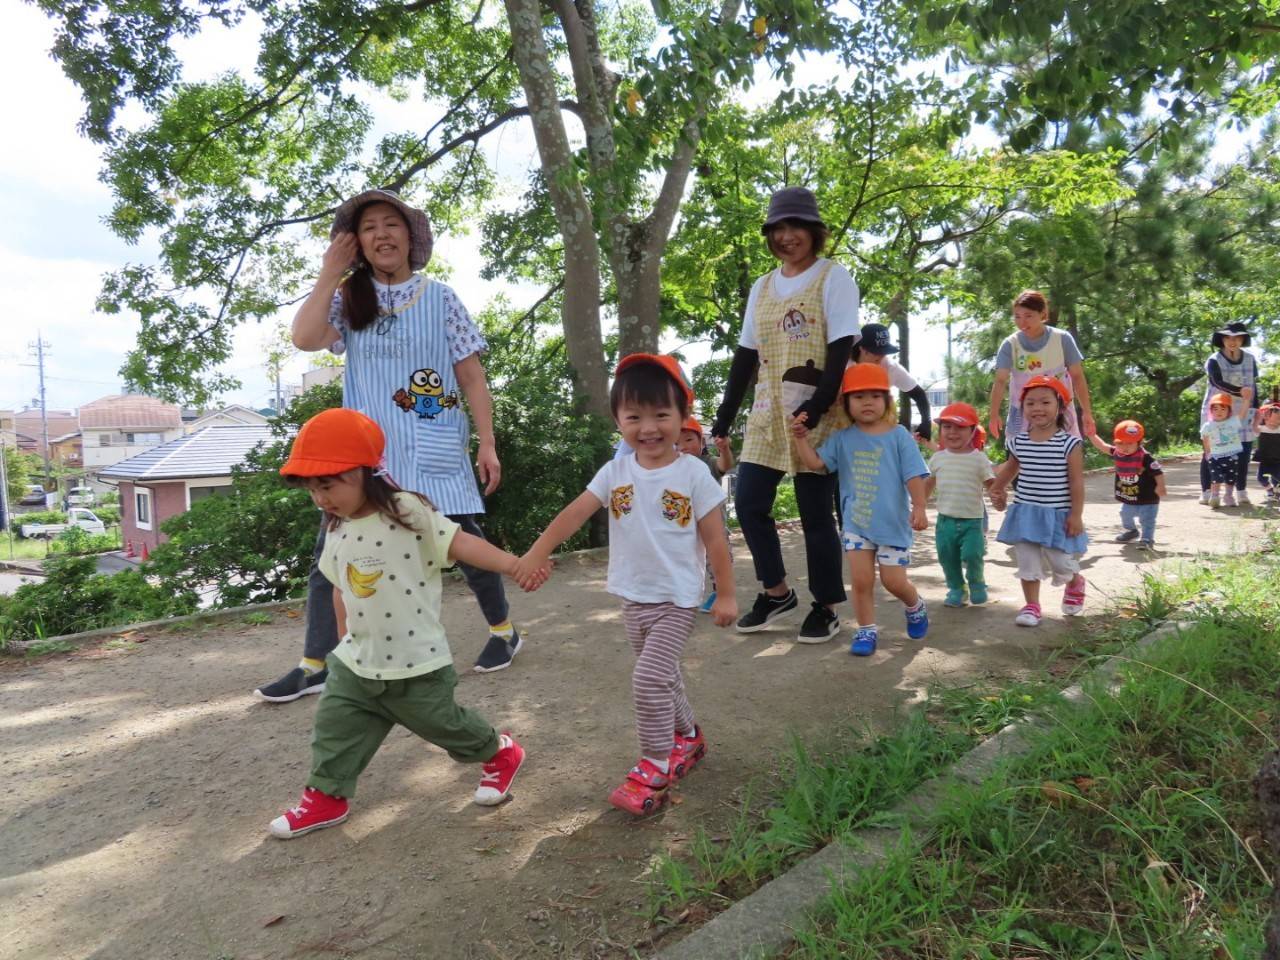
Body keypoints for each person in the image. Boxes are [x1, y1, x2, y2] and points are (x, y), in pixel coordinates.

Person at [256, 188, 523, 704]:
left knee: (467, 546)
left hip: (433, 446)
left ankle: (503, 631)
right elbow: (305, 338)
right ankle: (315, 664)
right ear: (355, 242)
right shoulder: (349, 298)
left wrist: (487, 443)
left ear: (410, 237)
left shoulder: (441, 297)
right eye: (369, 227)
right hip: (365, 459)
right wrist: (330, 270)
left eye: (391, 224)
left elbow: (472, 378)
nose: (382, 233)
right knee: (326, 558)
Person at [267, 409, 531, 839]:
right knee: (333, 727)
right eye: (313, 489)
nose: (320, 498)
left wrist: (514, 565)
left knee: (447, 727)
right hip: (357, 662)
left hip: (416, 663)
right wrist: (341, 643)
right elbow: (339, 587)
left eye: (328, 485)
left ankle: (499, 753)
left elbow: (459, 542)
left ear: (365, 472)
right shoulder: (336, 529)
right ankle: (326, 796)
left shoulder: (407, 511)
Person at [515, 355, 736, 815]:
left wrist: (727, 592)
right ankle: (689, 737)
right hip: (633, 596)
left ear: (682, 417)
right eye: (634, 416)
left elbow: (716, 538)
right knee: (664, 676)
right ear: (618, 419)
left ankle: (655, 763)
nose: (648, 427)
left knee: (649, 677)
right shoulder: (615, 472)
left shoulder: (694, 473)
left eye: (661, 415)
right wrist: (537, 552)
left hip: (677, 598)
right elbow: (576, 512)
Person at [710, 186, 858, 643]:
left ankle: (826, 605)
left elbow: (840, 351)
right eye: (778, 228)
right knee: (751, 503)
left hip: (820, 413)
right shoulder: (762, 286)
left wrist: (816, 408)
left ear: (814, 232)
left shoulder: (834, 277)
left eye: (796, 226)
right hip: (768, 413)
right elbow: (744, 355)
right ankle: (776, 592)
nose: (787, 236)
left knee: (817, 515)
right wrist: (724, 415)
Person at [790, 363, 930, 657]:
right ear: (846, 403)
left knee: (894, 582)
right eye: (859, 396)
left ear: (887, 401)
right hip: (856, 524)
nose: (867, 402)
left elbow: (914, 474)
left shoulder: (899, 435)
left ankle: (915, 606)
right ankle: (866, 630)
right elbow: (816, 464)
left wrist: (919, 506)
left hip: (892, 524)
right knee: (861, 581)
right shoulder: (843, 438)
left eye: (875, 396)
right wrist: (801, 439)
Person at [989, 375, 1088, 628]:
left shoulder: (1069, 443)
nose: (1037, 408)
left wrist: (1076, 515)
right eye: (1030, 403)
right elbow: (1011, 469)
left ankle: (1074, 581)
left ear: (1060, 407)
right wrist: (997, 489)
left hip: (1058, 514)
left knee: (1061, 562)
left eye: (1045, 402)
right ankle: (1032, 605)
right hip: (1025, 513)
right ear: (1022, 409)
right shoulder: (1018, 442)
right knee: (1027, 561)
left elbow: (1077, 482)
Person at [988, 289, 1095, 444]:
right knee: (1020, 458)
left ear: (1042, 313)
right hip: (1024, 413)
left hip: (1059, 412)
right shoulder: (1010, 344)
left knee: (1066, 455)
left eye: (1028, 316)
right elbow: (1000, 381)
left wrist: (1087, 412)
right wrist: (994, 414)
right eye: (1017, 316)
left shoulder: (1062, 339)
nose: (1022, 322)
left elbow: (1077, 376)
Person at [922, 402, 995, 607]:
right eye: (947, 427)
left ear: (973, 431)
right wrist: (919, 508)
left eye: (960, 427)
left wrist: (998, 497)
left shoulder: (979, 459)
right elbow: (928, 484)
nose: (953, 432)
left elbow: (992, 484)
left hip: (973, 520)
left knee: (973, 554)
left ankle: (977, 582)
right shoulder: (937, 458)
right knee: (947, 557)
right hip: (945, 521)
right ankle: (956, 588)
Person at [677, 417, 734, 614]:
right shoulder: (671, 468)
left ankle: (720, 592)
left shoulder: (707, 463)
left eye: (688, 440)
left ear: (701, 442)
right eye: (675, 443)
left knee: (715, 556)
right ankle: (683, 594)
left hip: (712, 525)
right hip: (684, 525)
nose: (682, 447)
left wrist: (724, 449)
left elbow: (724, 465)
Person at [1198, 321, 1259, 505]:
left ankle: (1240, 490)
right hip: (1217, 409)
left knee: (1243, 451)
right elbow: (1217, 382)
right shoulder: (1214, 359)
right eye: (1228, 338)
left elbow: (1254, 386)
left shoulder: (1250, 359)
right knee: (1211, 451)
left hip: (1243, 409)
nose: (1232, 341)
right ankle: (1207, 491)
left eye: (1237, 337)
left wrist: (1256, 412)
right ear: (1222, 340)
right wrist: (1239, 390)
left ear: (1242, 339)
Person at [1086, 420, 1166, 549]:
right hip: (1129, 496)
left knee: (1147, 520)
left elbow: (1158, 473)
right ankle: (1132, 531)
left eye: (1129, 443)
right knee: (1125, 514)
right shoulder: (1118, 453)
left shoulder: (1145, 457)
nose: (1125, 447)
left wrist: (1161, 486)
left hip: (1148, 497)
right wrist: (1091, 435)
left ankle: (1147, 539)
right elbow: (1102, 446)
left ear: (1139, 442)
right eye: (1120, 443)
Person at [851, 322, 932, 440]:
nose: (881, 356)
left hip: (878, 428)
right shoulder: (845, 366)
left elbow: (918, 394)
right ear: (862, 349)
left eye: (884, 351)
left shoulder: (890, 367)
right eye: (877, 351)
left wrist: (926, 421)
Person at [1201, 393, 1245, 509]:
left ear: (1229, 411)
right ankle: (1214, 497)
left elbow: (1243, 414)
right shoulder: (1207, 425)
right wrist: (1208, 453)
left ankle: (1228, 496)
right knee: (1216, 478)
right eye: (1215, 409)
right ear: (1211, 411)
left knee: (1231, 479)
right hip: (1214, 457)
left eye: (1223, 408)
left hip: (1232, 456)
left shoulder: (1232, 421)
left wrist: (1246, 400)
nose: (1219, 411)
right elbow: (1205, 440)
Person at [1253, 397, 1280, 501]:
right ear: (1265, 418)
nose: (1273, 423)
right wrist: (1258, 419)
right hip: (1265, 459)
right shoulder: (1261, 429)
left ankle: (1277, 493)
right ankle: (1270, 490)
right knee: (1261, 478)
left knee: (1277, 478)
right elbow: (1254, 428)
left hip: (1277, 459)